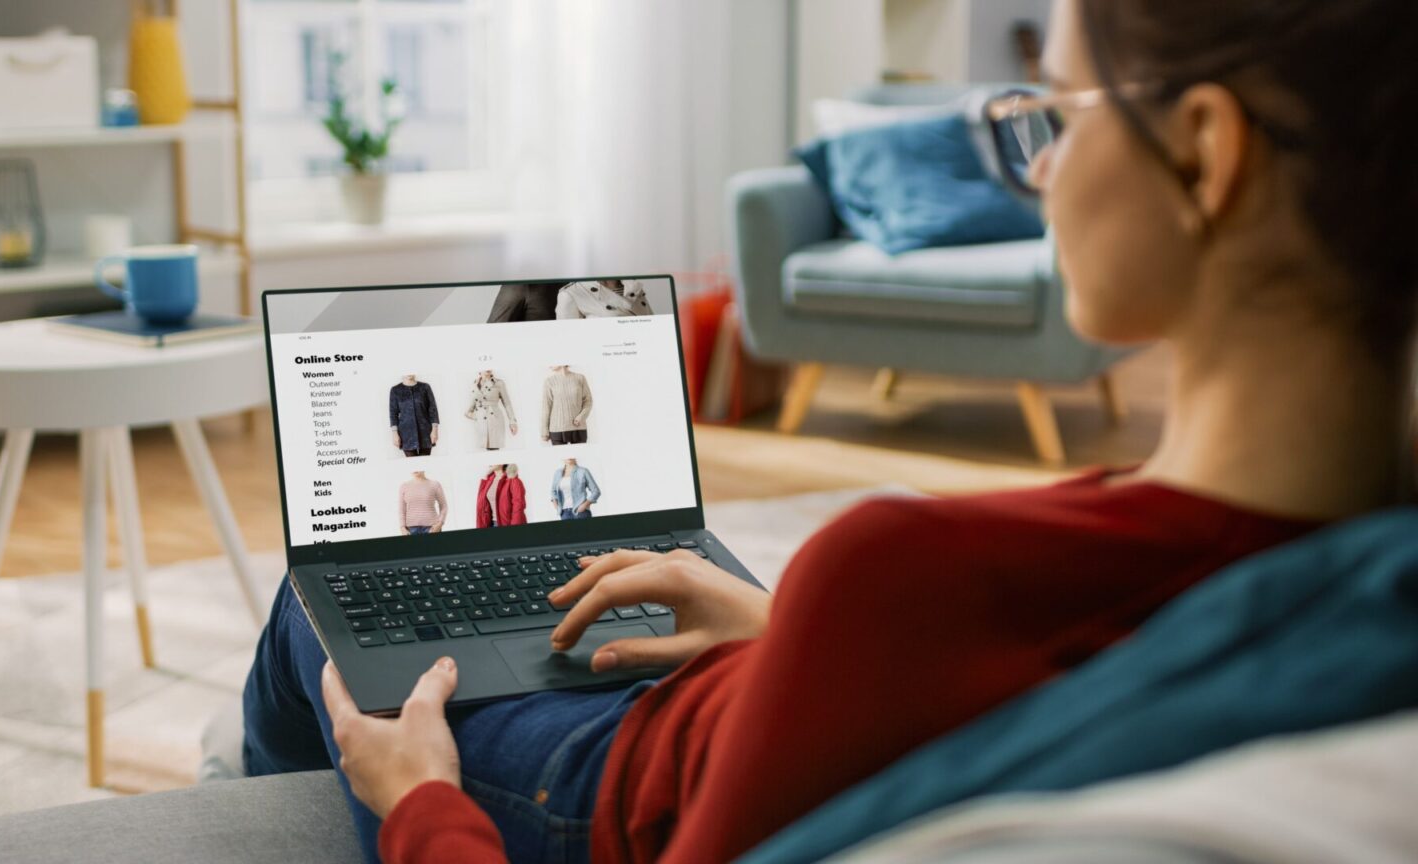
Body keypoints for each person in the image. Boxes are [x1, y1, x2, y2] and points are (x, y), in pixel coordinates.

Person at [241, 1, 1418, 862]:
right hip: (753, 695)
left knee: (323, 598)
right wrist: (783, 633)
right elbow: (1069, 671)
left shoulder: (904, 571)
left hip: (600, 792)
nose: (1045, 165)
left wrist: (419, 809)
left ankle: (248, 816)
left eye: (1050, 111)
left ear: (1205, 154)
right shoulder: (1356, 568)